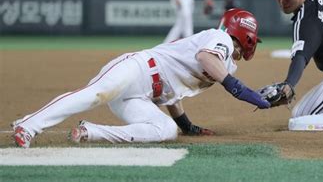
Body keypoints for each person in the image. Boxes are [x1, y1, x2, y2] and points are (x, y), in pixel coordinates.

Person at [12, 8, 270, 148]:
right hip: (139, 69)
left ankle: (91, 132)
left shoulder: (223, 60)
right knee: (94, 94)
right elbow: (205, 59)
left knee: (166, 130)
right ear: (246, 35)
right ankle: (28, 125)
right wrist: (240, 90)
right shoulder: (221, 39)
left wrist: (186, 125)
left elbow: (175, 91)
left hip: (145, 95)